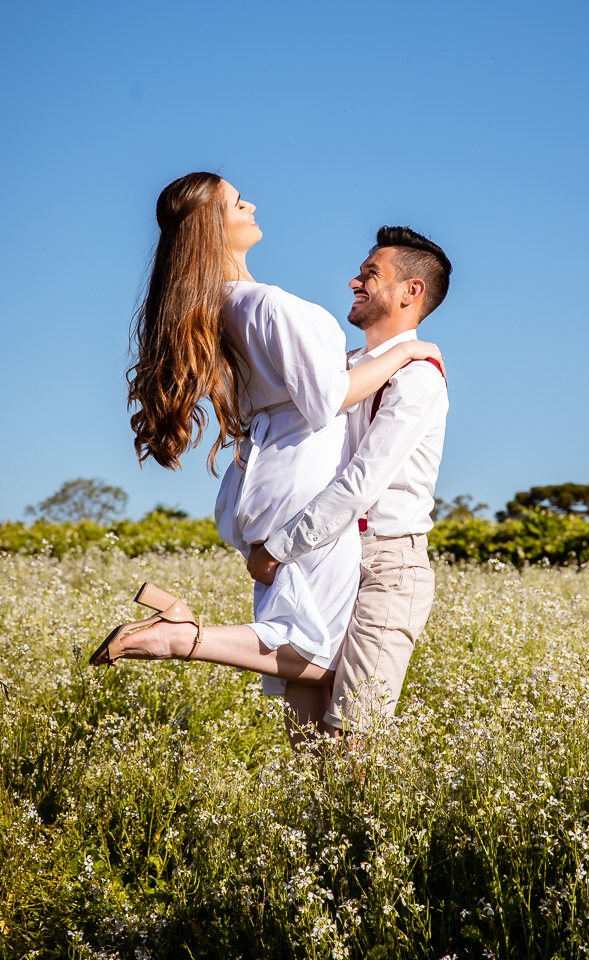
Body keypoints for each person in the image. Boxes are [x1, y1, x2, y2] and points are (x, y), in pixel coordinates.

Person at [89, 172, 443, 741]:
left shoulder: (218, 310)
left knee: (310, 709)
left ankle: (308, 818)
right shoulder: (269, 307)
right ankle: (185, 637)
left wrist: (397, 358)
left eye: (369, 273)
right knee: (322, 661)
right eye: (236, 201)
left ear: (410, 292)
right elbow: (331, 411)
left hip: (278, 495)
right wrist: (411, 353)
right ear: (210, 226)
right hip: (309, 503)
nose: (250, 202)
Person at [247, 225, 451, 735]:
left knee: (352, 739)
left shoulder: (419, 376)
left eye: (369, 274)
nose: (353, 282)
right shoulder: (341, 373)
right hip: (325, 559)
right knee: (305, 740)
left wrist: (278, 547)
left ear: (411, 291)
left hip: (386, 564)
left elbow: (362, 482)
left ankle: (181, 640)